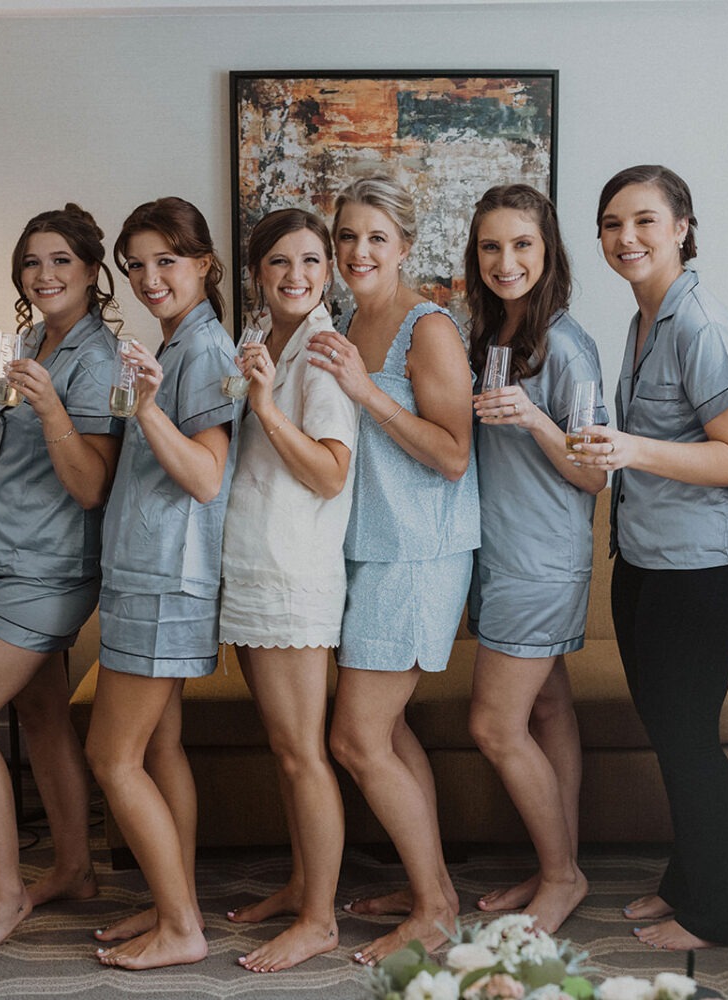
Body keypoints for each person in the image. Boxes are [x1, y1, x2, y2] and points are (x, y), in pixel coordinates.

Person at [573, 165, 728, 949]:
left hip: (704, 570)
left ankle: (727, 915)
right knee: (672, 736)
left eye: (646, 221)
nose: (627, 238)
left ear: (683, 226)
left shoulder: (703, 326)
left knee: (689, 741)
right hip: (651, 559)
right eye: (613, 223)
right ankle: (688, 883)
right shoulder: (645, 317)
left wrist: (631, 449)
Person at [0, 204, 123, 963]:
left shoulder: (99, 359)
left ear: (91, 271)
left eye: (60, 262)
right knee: (41, 717)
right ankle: (72, 868)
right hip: (9, 557)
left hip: (49, 568)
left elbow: (90, 486)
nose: (44, 275)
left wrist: (47, 409)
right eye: (32, 263)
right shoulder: (35, 340)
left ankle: (3, 894)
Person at [309, 175, 478, 964]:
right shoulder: (348, 317)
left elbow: (452, 455)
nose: (358, 251)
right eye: (347, 236)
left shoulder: (428, 327)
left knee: (355, 738)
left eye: (376, 236)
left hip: (419, 554)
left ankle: (438, 908)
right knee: (387, 729)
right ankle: (428, 887)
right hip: (366, 550)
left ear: (405, 245)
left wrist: (362, 393)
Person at [87, 196, 238, 971]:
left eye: (166, 261)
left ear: (204, 263)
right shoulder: (175, 345)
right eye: (136, 265)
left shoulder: (206, 353)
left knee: (112, 757)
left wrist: (145, 411)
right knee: (162, 749)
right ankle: (171, 900)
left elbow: (208, 479)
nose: (150, 278)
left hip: (165, 579)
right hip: (149, 572)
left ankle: (181, 927)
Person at [463, 184, 607, 932]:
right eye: (491, 246)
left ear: (548, 251)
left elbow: (594, 472)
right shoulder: (487, 334)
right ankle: (561, 862)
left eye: (521, 244)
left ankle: (562, 875)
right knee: (548, 706)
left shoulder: (567, 346)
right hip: (500, 553)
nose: (506, 260)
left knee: (493, 725)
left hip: (541, 561)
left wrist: (534, 419)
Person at [218, 208, 356, 971]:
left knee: (304, 751)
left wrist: (266, 405)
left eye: (310, 261)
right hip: (253, 564)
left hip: (294, 573)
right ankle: (304, 882)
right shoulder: (260, 341)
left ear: (327, 271)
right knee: (283, 747)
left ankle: (319, 917)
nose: (296, 275)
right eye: (279, 263)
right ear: (258, 274)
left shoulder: (325, 351)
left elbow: (331, 473)